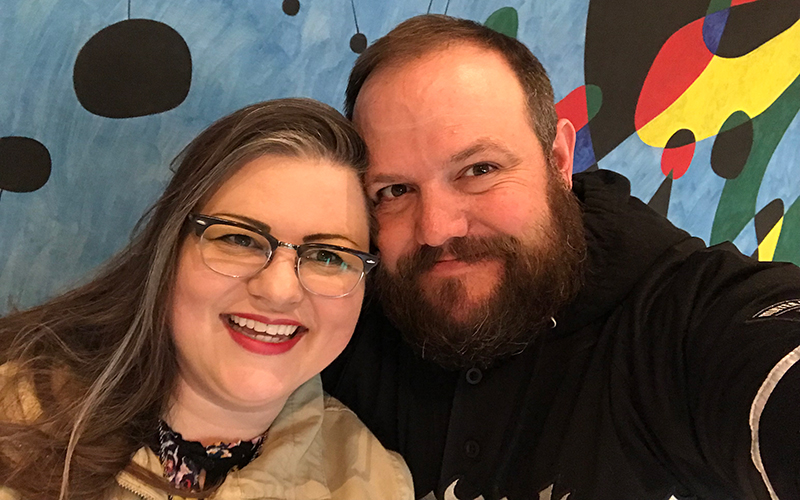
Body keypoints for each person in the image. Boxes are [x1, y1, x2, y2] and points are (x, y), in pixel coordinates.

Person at [322, 14, 800, 500]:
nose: (436, 228)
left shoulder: (679, 321)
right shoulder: (338, 308)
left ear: (559, 161)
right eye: (395, 189)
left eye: (479, 169)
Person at [0, 98, 413, 500]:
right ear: (169, 249)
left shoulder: (374, 483)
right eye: (239, 239)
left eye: (327, 256)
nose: (279, 290)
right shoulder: (11, 417)